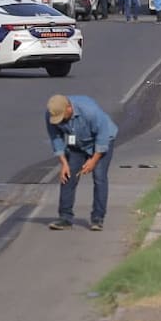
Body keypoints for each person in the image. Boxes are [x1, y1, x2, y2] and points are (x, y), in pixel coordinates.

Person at [45, 94, 119, 231]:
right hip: (77, 144)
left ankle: (97, 218)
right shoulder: (52, 113)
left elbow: (102, 137)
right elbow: (56, 138)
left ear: (69, 108)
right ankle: (65, 218)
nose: (60, 121)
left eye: (62, 117)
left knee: (99, 177)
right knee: (68, 176)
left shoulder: (90, 111)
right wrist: (64, 163)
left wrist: (93, 161)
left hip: (101, 141)